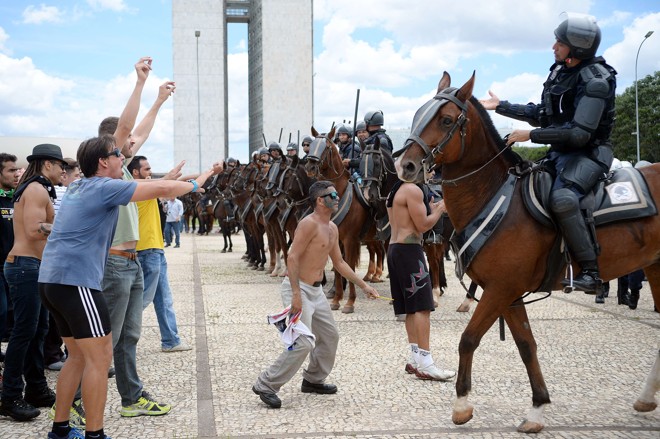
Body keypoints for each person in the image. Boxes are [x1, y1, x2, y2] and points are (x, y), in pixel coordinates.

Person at [38, 134, 213, 439]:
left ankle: (60, 429)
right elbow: (160, 187)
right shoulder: (104, 186)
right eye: (118, 154)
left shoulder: (80, 184)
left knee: (78, 357)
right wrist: (197, 185)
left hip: (52, 280)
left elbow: (153, 182)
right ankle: (95, 434)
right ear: (104, 162)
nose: (124, 158)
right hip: (75, 281)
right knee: (100, 358)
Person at [480, 12, 616, 294]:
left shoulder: (596, 80)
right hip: (561, 154)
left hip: (589, 154)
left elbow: (580, 134)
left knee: (563, 198)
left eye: (560, 41)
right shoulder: (561, 71)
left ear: (576, 47)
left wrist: (530, 136)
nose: (554, 45)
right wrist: (500, 105)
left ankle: (591, 272)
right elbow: (542, 113)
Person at [96, 70, 180, 421]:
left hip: (131, 263)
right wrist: (141, 85)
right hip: (114, 264)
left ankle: (131, 398)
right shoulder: (103, 174)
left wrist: (160, 101)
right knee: (106, 341)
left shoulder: (124, 171)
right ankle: (81, 403)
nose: (134, 144)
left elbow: (139, 130)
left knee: (129, 335)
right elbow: (130, 126)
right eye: (126, 142)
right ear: (110, 147)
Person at [252, 181, 379, 408]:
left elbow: (339, 262)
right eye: (332, 195)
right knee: (302, 343)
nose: (337, 197)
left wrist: (363, 286)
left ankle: (313, 379)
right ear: (320, 200)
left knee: (330, 336)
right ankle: (266, 383)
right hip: (298, 289)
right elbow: (292, 257)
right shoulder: (308, 224)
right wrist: (295, 295)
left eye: (336, 194)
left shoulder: (332, 228)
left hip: (316, 291)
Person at [0, 144, 64, 422]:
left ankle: (36, 388)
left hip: (33, 267)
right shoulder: (36, 189)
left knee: (39, 330)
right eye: (60, 165)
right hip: (25, 266)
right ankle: (9, 396)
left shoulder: (37, 188)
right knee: (24, 333)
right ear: (47, 165)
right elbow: (33, 230)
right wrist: (66, 228)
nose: (63, 170)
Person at [386, 164, 455, 381]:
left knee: (409, 308)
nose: (432, 173)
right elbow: (424, 225)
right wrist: (439, 211)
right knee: (423, 307)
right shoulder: (413, 190)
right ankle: (426, 363)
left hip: (395, 248)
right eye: (429, 169)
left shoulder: (395, 189)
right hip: (409, 250)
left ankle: (416, 357)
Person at [128, 155, 193, 353]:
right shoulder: (136, 189)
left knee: (163, 298)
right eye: (147, 169)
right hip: (146, 251)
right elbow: (167, 183)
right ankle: (112, 340)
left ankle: (170, 340)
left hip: (155, 250)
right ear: (135, 173)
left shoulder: (144, 189)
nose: (150, 173)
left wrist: (200, 178)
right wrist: (177, 177)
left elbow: (171, 184)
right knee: (140, 302)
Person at [45, 158, 82, 373]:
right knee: (56, 315)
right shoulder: (58, 193)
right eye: (75, 175)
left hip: (70, 258)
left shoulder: (73, 194)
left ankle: (70, 355)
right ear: (65, 175)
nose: (78, 179)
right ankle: (52, 354)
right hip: (59, 258)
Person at [0, 153, 20, 364]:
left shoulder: (15, 197)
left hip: (13, 265)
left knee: (10, 315)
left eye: (16, 170)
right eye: (11, 170)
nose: (16, 174)